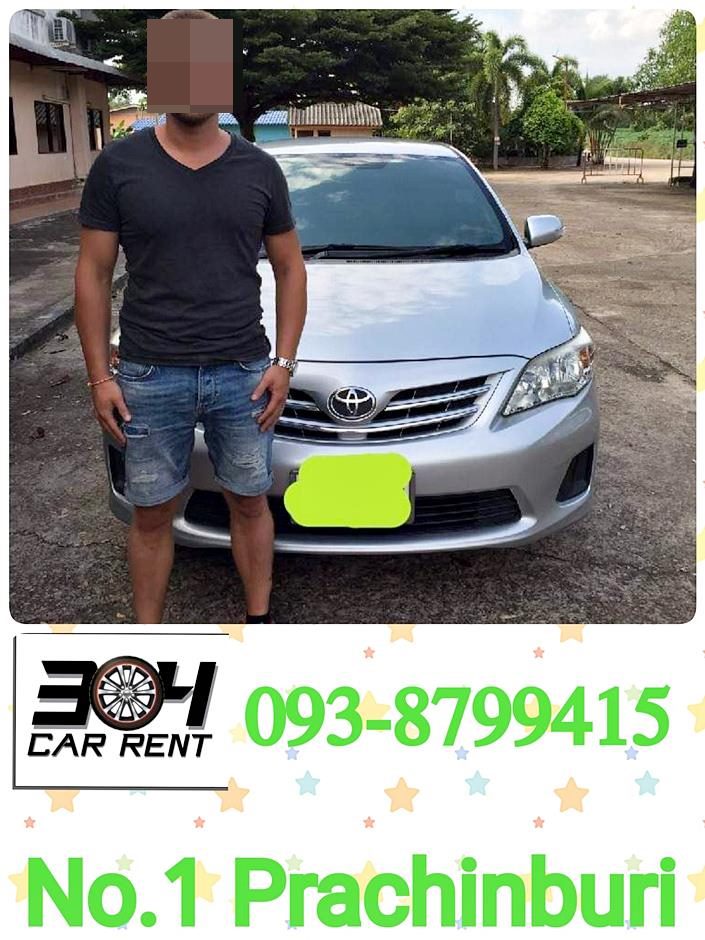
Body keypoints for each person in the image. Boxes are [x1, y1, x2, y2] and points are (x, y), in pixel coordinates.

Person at [74, 9, 307, 625]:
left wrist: (283, 363)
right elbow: (92, 273)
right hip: (150, 375)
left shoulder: (259, 169)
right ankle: (148, 639)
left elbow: (291, 269)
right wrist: (99, 377)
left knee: (250, 502)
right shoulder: (119, 166)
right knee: (151, 514)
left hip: (243, 373)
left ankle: (258, 623)